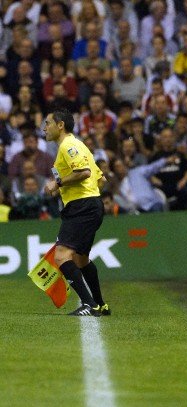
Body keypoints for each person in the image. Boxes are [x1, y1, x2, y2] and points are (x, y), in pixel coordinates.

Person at [42, 110, 109, 317]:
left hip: (82, 206)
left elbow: (84, 173)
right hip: (90, 204)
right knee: (80, 259)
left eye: (47, 123)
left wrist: (58, 183)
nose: (44, 128)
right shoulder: (80, 146)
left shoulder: (68, 145)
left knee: (62, 256)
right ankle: (100, 304)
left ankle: (89, 304)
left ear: (60, 125)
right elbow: (101, 179)